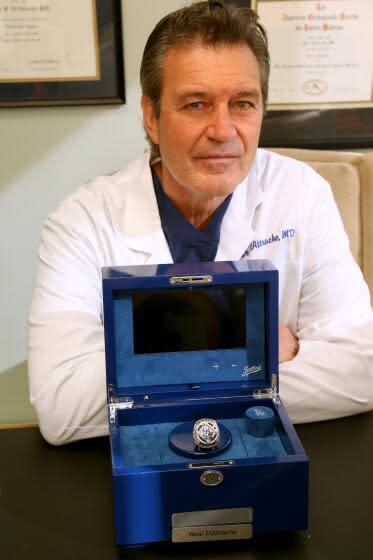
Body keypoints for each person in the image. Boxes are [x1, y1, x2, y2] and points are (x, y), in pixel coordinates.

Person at [28, 1, 373, 445]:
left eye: (243, 103)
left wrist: (148, 371)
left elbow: (361, 370)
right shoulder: (81, 222)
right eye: (196, 103)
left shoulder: (303, 194)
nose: (223, 130)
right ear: (151, 117)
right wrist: (257, 351)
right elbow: (62, 408)